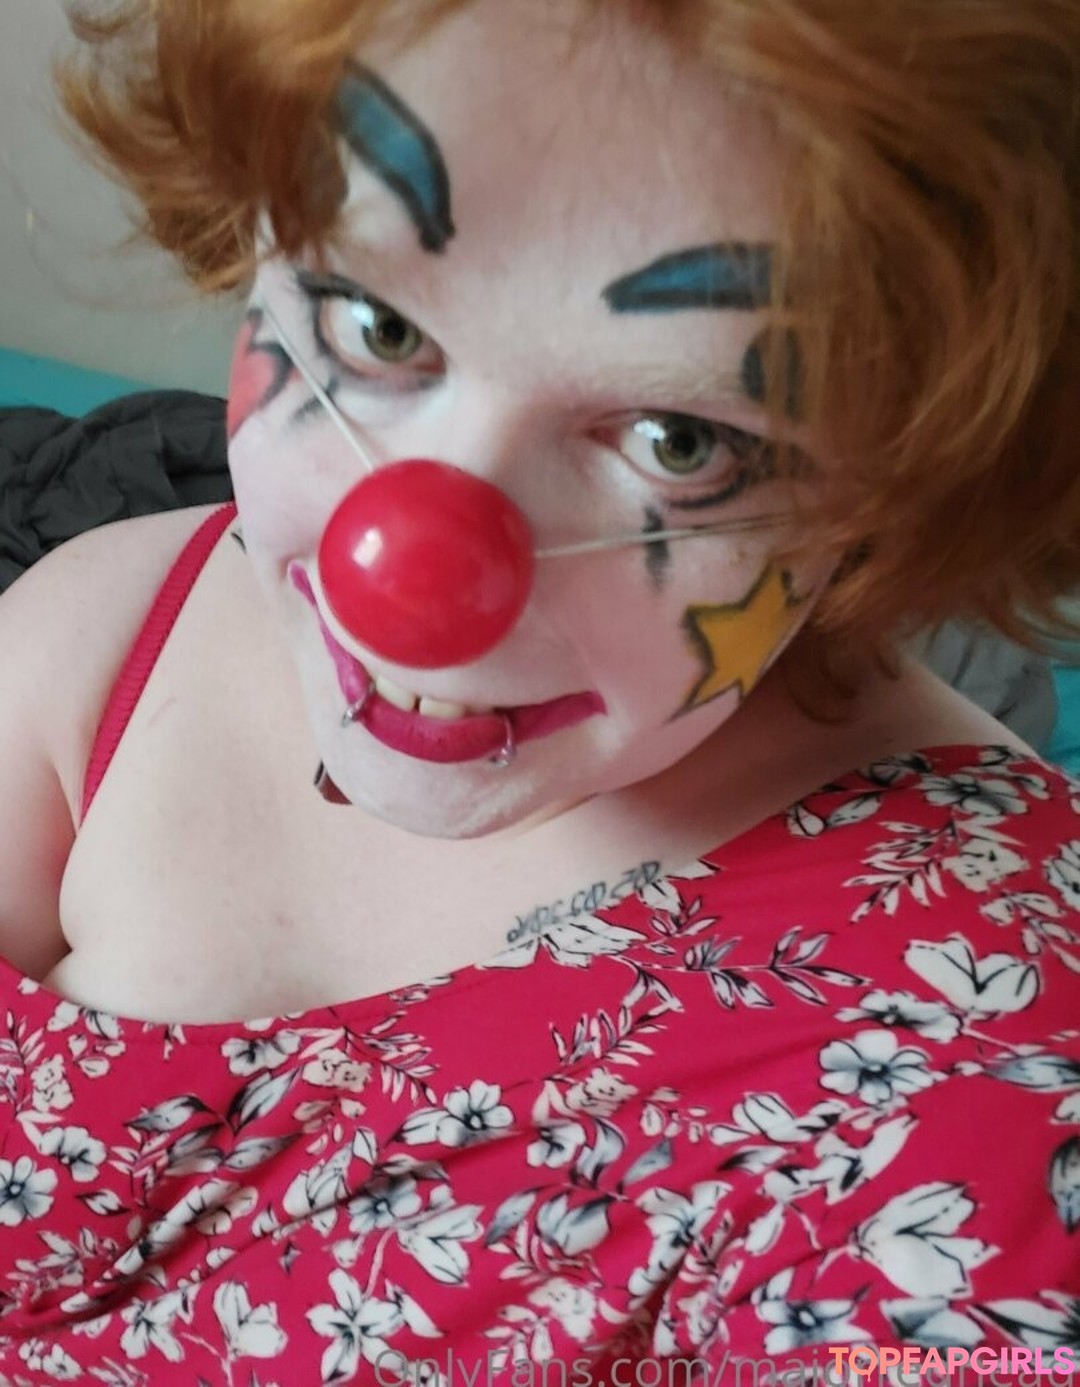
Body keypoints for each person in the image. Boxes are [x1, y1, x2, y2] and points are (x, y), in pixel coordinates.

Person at [1, 0, 1078, 1381]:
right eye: (375, 324)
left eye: (680, 439)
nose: (405, 586)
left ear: (908, 476)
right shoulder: (109, 626)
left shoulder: (983, 1057)